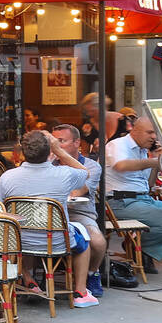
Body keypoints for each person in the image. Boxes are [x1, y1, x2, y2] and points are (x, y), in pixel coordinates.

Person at [0, 130, 99, 306]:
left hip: (20, 240)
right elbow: (85, 172)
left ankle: (28, 279)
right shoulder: (64, 174)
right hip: (56, 240)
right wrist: (59, 151)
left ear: (22, 153)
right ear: (50, 150)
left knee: (16, 235)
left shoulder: (7, 177)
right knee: (83, 237)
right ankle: (80, 291)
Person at [105, 116, 162, 274]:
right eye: (150, 132)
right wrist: (155, 162)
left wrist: (158, 164)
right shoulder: (117, 144)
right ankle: (141, 250)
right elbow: (121, 165)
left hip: (142, 198)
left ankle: (141, 248)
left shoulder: (143, 151)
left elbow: (149, 184)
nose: (153, 137)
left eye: (155, 133)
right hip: (120, 201)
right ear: (134, 130)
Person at [51, 124, 108, 295]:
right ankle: (32, 280)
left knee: (98, 242)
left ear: (77, 143)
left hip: (80, 212)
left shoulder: (92, 166)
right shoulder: (48, 164)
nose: (57, 146)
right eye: (54, 142)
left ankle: (92, 273)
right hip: (52, 212)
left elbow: (78, 191)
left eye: (61, 141)